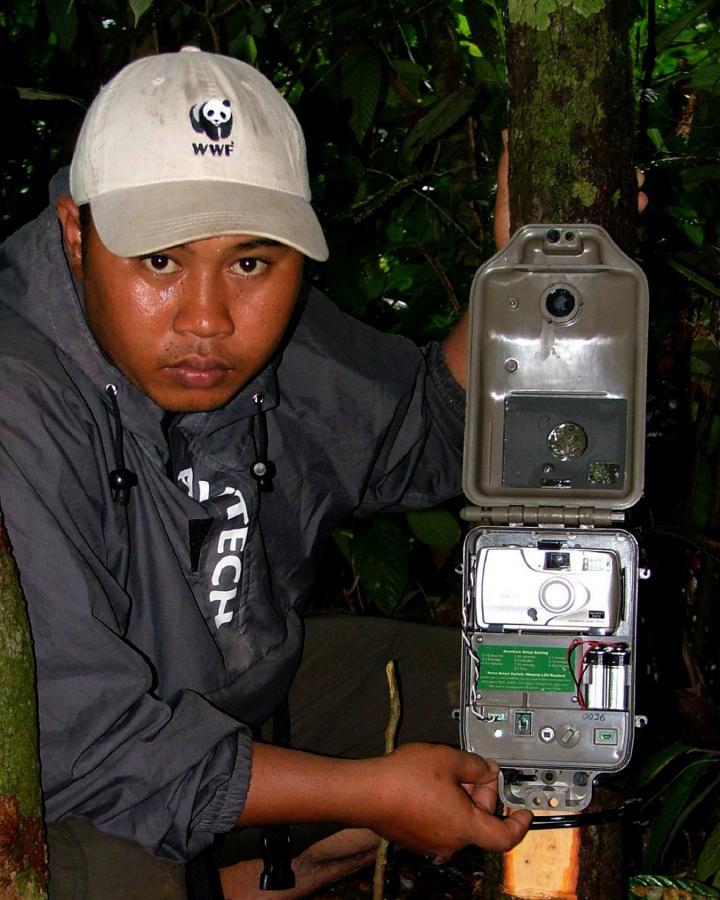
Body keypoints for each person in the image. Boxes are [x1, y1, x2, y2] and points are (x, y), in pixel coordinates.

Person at [0, 47, 532, 899]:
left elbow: (431, 433)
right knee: (119, 876)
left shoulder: (271, 345)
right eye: (160, 261)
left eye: (251, 261)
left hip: (221, 687)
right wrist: (372, 795)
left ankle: (256, 881)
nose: (207, 319)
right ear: (75, 235)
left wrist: (520, 273)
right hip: (47, 765)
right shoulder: (17, 399)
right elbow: (82, 748)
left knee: (528, 708)